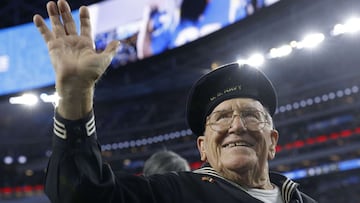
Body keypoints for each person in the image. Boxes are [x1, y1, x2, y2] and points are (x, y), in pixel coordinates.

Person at [33, 1, 317, 202]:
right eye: (221, 117)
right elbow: (83, 195)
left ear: (273, 141)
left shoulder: (302, 200)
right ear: (202, 148)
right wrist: (75, 95)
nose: (237, 125)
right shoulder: (175, 192)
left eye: (252, 115)